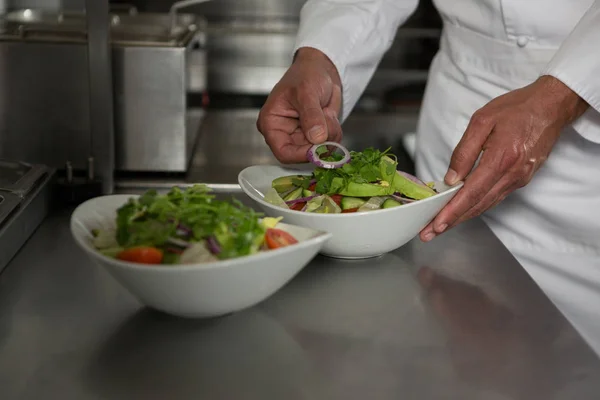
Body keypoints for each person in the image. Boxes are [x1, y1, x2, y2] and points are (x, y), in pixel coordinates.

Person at [256, 0, 600, 353]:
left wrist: (559, 98)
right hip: (462, 112)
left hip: (587, 169)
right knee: (454, 353)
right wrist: (322, 54)